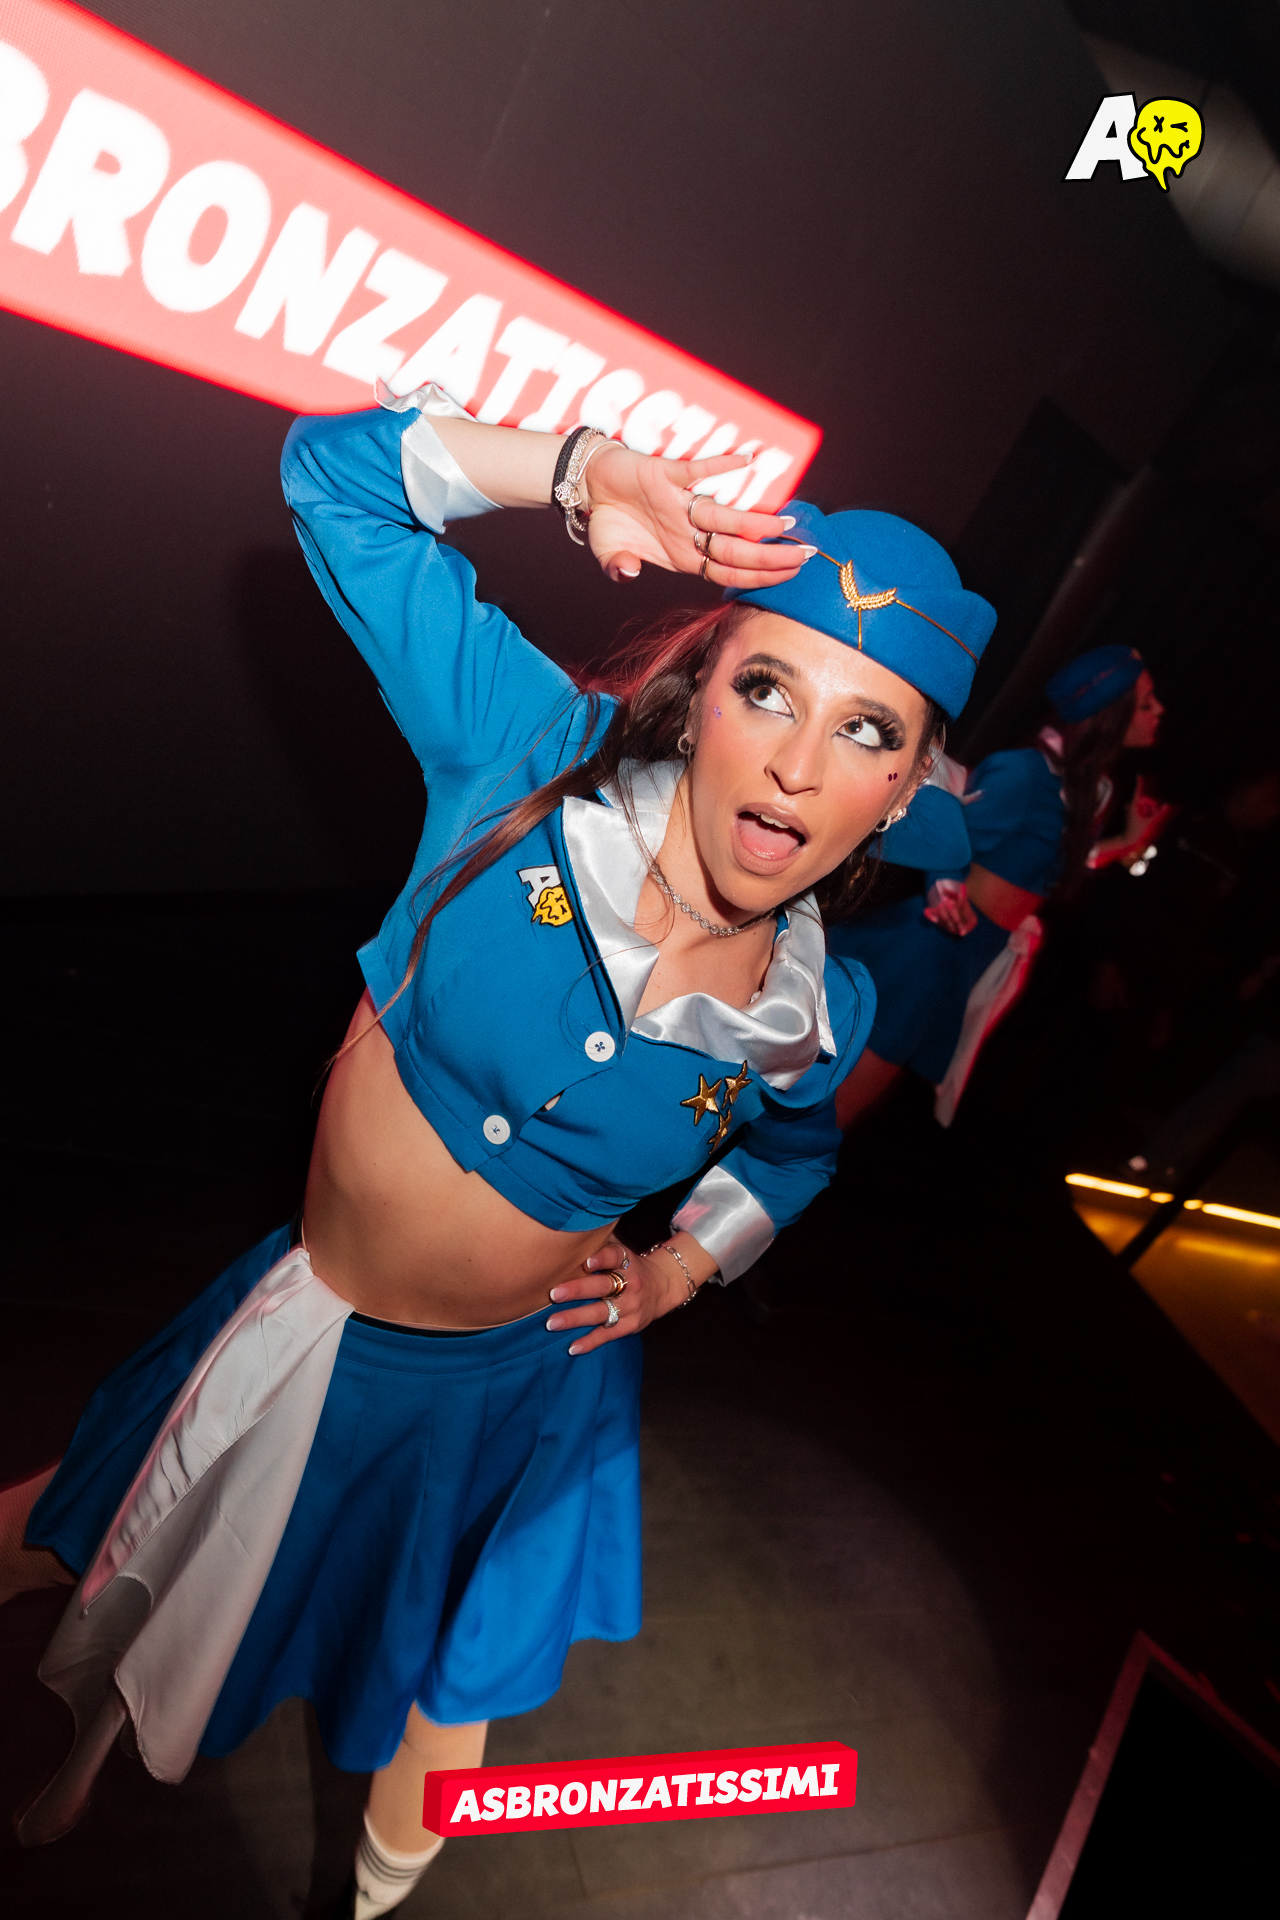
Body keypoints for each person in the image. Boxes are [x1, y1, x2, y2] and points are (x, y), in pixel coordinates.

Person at [1, 383, 993, 1914]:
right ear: (702, 692)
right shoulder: (530, 760)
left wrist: (677, 1272)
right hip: (311, 1310)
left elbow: (794, 1161)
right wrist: (576, 471)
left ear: (902, 789)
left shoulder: (816, 1016)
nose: (798, 764)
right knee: (108, 1515)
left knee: (424, 1686)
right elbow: (330, 483)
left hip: (499, 1402)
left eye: (865, 730)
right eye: (769, 690)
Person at [829, 643, 1167, 1129]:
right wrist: (944, 884)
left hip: (969, 955)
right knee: (838, 1106)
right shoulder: (1024, 772)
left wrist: (1128, 842)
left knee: (852, 1106)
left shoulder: (1090, 792)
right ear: (1110, 715)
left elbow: (1048, 866)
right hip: (929, 949)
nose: (1160, 712)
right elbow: (945, 831)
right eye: (1147, 703)